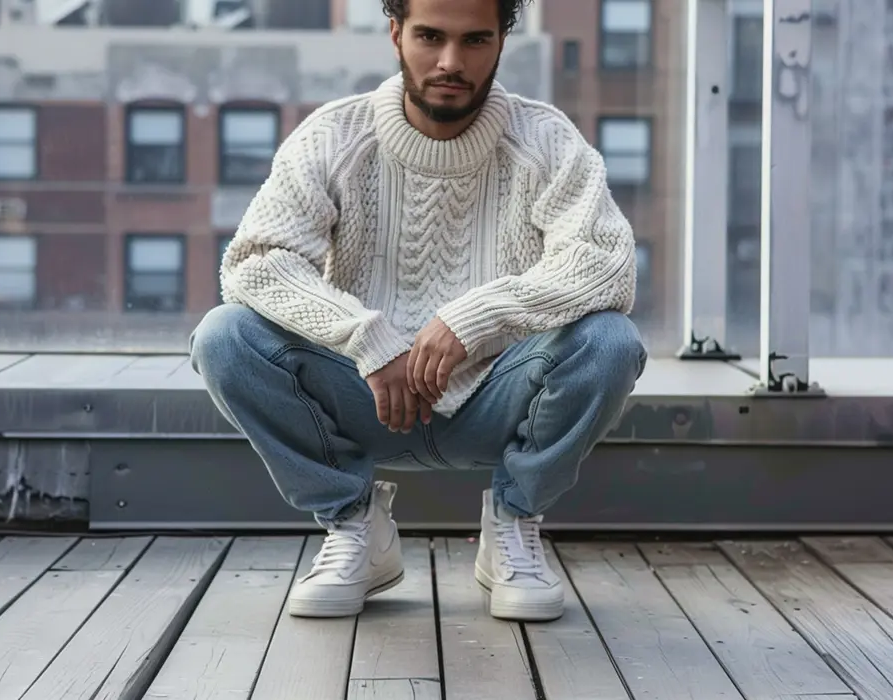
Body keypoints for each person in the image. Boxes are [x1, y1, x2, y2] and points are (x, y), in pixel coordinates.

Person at [190, 0, 646, 622]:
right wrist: (366, 339)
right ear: (396, 34)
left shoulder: (546, 140)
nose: (451, 62)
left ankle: (513, 523)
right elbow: (256, 261)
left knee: (610, 343)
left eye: (475, 40)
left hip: (500, 392)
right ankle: (354, 525)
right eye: (431, 37)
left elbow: (607, 262)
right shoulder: (336, 134)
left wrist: (473, 318)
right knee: (225, 337)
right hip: (366, 395)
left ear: (501, 42)